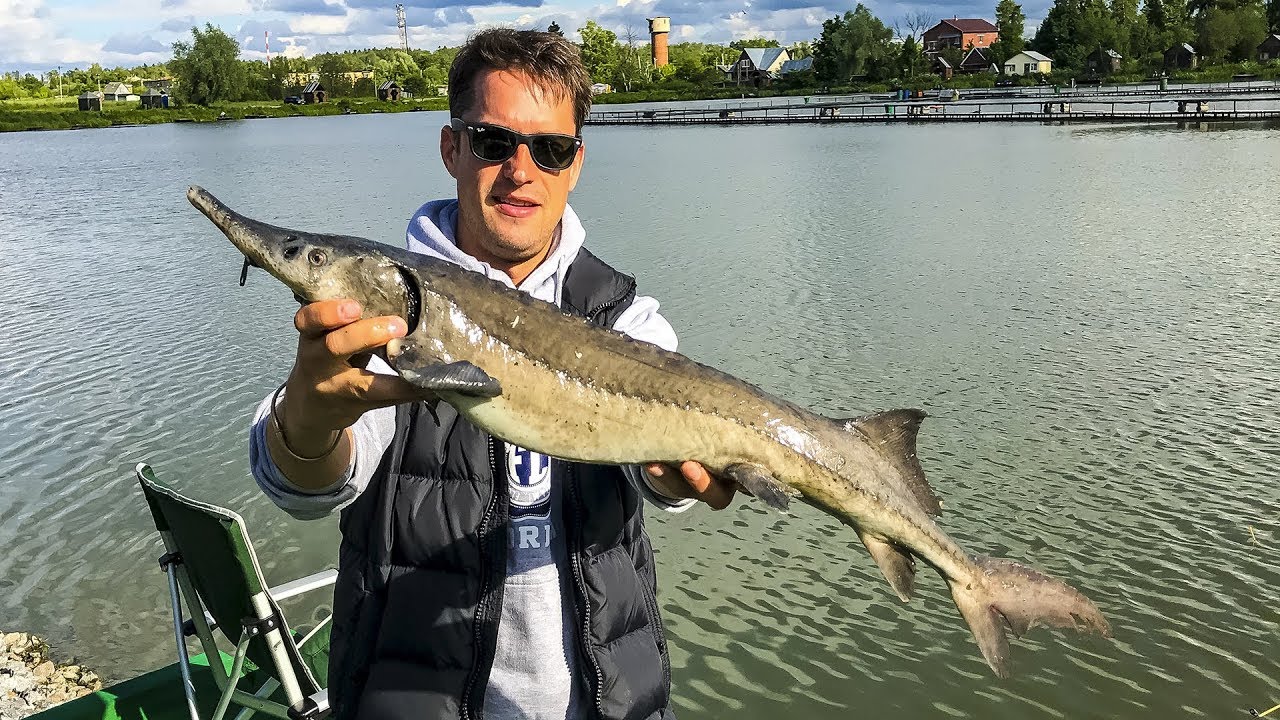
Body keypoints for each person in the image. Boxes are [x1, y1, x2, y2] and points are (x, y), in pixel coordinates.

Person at [248, 28, 738, 720]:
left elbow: (666, 484)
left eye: (550, 149)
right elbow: (305, 486)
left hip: (613, 702)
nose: (521, 170)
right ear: (452, 148)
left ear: (575, 163)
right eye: (492, 142)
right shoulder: (386, 310)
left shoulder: (627, 320)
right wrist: (307, 419)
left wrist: (672, 478)